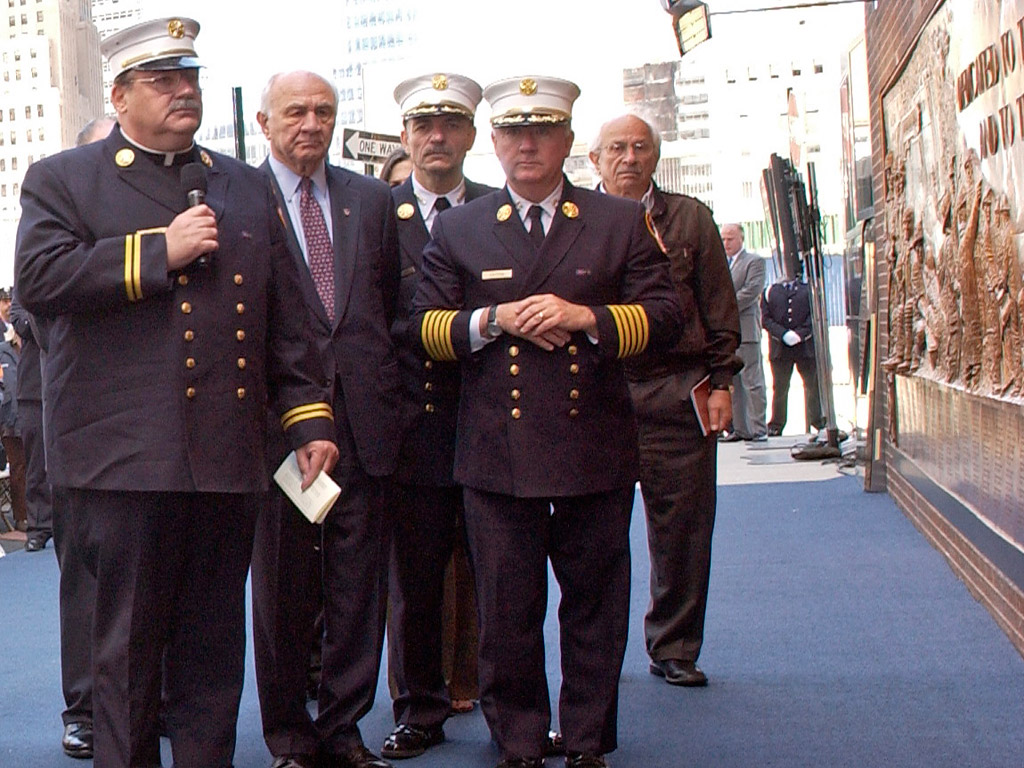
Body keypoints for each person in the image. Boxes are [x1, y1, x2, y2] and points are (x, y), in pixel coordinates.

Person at [14, 19, 338, 768]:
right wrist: (163, 249)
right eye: (163, 81)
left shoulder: (245, 186)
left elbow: (285, 319)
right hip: (121, 463)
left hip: (225, 462)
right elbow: (41, 279)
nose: (184, 91)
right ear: (121, 96)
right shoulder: (66, 179)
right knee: (125, 656)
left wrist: (306, 419)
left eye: (190, 77)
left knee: (211, 653)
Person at [413, 76, 682, 768]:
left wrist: (586, 316)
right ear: (494, 143)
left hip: (593, 442)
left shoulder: (617, 221)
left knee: (594, 605)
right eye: (512, 133)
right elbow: (419, 327)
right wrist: (493, 320)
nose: (526, 145)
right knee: (507, 610)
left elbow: (666, 315)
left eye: (542, 132)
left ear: (567, 141)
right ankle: (521, 740)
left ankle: (589, 739)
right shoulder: (462, 226)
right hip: (498, 452)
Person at [251, 69, 402, 768]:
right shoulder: (238, 200)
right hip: (278, 435)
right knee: (283, 592)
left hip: (365, 427)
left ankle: (343, 728)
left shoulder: (373, 201)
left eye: (324, 111)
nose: (311, 123)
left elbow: (391, 307)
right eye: (295, 112)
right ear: (264, 123)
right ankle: (289, 736)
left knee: (357, 590)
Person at [589, 113, 741, 688]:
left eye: (640, 147)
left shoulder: (689, 219)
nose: (628, 157)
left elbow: (719, 307)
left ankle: (674, 645)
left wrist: (722, 382)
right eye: (616, 148)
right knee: (597, 537)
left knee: (682, 530)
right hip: (602, 392)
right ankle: (599, 653)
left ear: (656, 156)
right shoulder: (578, 220)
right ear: (594, 160)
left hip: (679, 392)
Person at [381, 72, 494, 761]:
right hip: (411, 428)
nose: (436, 138)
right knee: (416, 582)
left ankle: (509, 702)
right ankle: (418, 708)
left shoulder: (499, 209)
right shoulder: (373, 211)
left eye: (450, 125)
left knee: (503, 576)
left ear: (471, 136)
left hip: (490, 420)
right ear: (405, 137)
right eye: (423, 126)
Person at [719, 223, 768, 442]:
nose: (726, 243)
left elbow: (751, 292)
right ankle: (740, 429)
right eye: (724, 239)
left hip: (746, 332)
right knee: (735, 383)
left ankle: (758, 428)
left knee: (752, 381)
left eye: (730, 238)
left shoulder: (754, 262)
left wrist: (722, 306)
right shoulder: (722, 264)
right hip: (728, 334)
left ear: (741, 239)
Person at [761, 268, 824, 436]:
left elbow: (814, 315)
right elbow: (765, 319)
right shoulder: (770, 291)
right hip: (780, 348)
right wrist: (782, 334)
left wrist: (800, 334)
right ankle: (776, 423)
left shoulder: (808, 290)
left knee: (812, 385)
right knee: (780, 387)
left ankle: (818, 421)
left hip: (804, 347)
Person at [0, 326, 25, 534]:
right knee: (18, 470)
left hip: (32, 416)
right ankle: (21, 517)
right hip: (9, 421)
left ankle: (40, 514)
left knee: (37, 468)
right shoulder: (2, 351)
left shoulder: (34, 350)